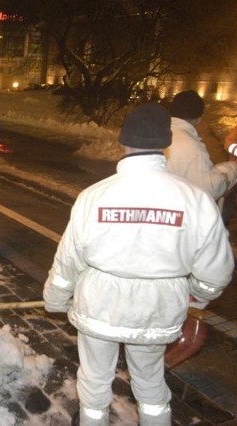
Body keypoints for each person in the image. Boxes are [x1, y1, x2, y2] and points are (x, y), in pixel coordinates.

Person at [43, 103, 233, 426]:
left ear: (123, 142)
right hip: (157, 312)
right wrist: (197, 295)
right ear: (165, 145)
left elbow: (69, 259)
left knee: (94, 378)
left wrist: (56, 298)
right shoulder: (195, 200)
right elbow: (217, 270)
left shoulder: (94, 196)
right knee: (150, 380)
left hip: (100, 309)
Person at [164, 90, 237, 202]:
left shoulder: (156, 134)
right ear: (199, 119)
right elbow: (209, 188)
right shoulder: (192, 148)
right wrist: (232, 169)